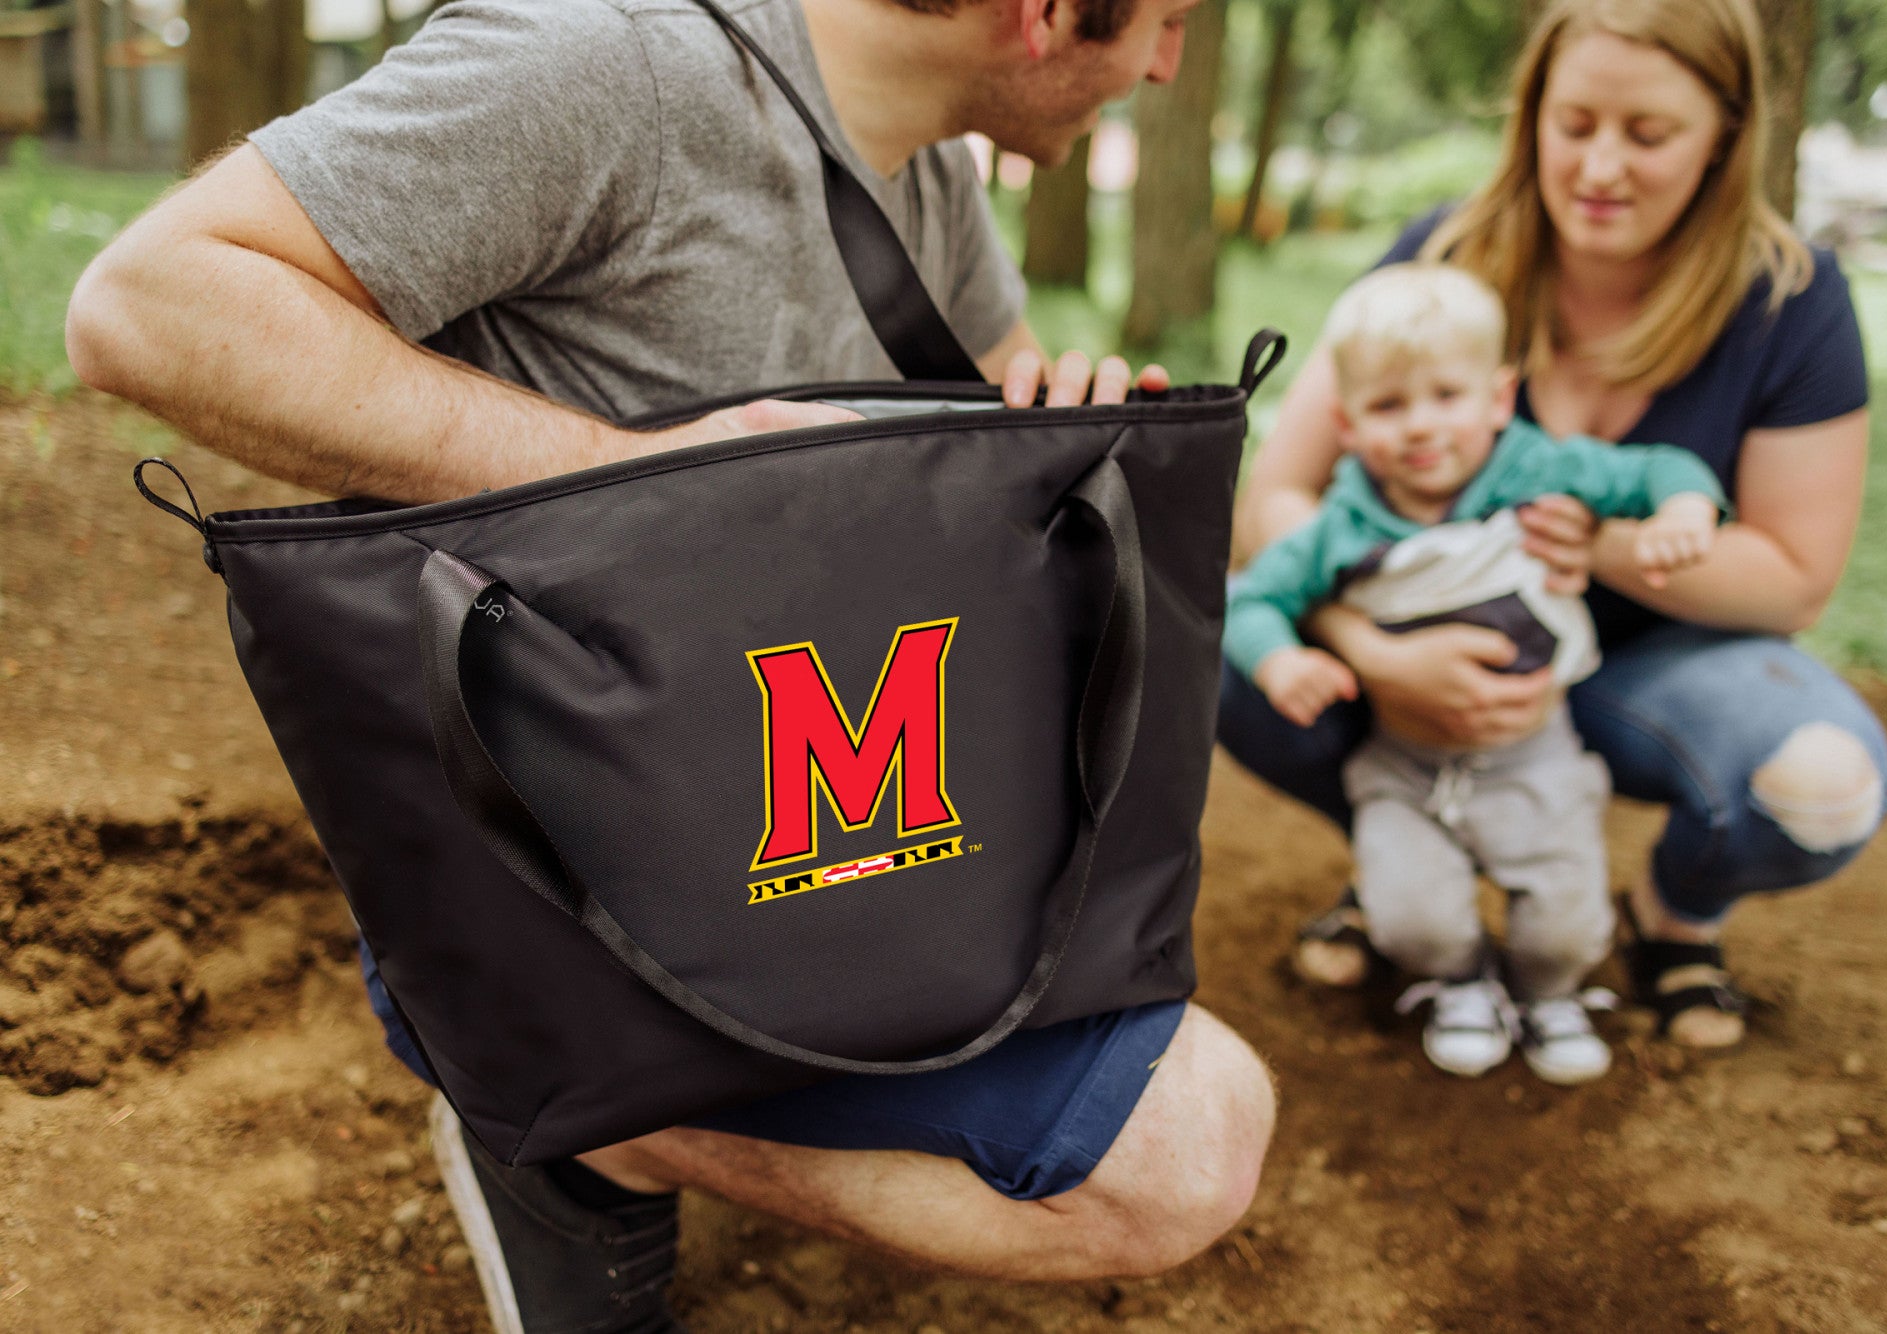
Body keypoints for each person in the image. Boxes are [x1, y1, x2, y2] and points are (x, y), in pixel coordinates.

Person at [65, 0, 1276, 1328]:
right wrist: (618, 477)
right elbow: (144, 305)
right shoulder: (603, 59)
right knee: (1176, 1153)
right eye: (1163, 21)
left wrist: (1052, 429)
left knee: (1195, 1134)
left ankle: (636, 1115)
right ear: (1043, 13)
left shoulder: (929, 153)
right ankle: (583, 1121)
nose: (1169, 65)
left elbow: (959, 461)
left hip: (835, 825)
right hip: (568, 881)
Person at [1219, 0, 1887, 1055]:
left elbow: (1792, 579)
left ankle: (1670, 917)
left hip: (1651, 667)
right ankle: (1408, 863)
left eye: (1647, 134)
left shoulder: (1789, 299)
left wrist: (1600, 546)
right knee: (1222, 643)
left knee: (1822, 783)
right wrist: (1374, 646)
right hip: (1416, 661)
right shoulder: (1439, 255)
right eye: (1572, 123)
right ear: (1530, 111)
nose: (1598, 167)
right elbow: (1276, 500)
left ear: (1724, 130)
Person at [1224, 261, 1724, 1084]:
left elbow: (1660, 467)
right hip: (1404, 764)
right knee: (1411, 916)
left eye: (1446, 397)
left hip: (1537, 756)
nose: (1421, 427)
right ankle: (1456, 982)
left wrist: (1683, 511)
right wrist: (1279, 660)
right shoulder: (1345, 522)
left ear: (1498, 398)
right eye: (1389, 406)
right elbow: (1254, 600)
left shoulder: (1536, 471)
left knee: (1564, 920)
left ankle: (1549, 992)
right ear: (1346, 424)